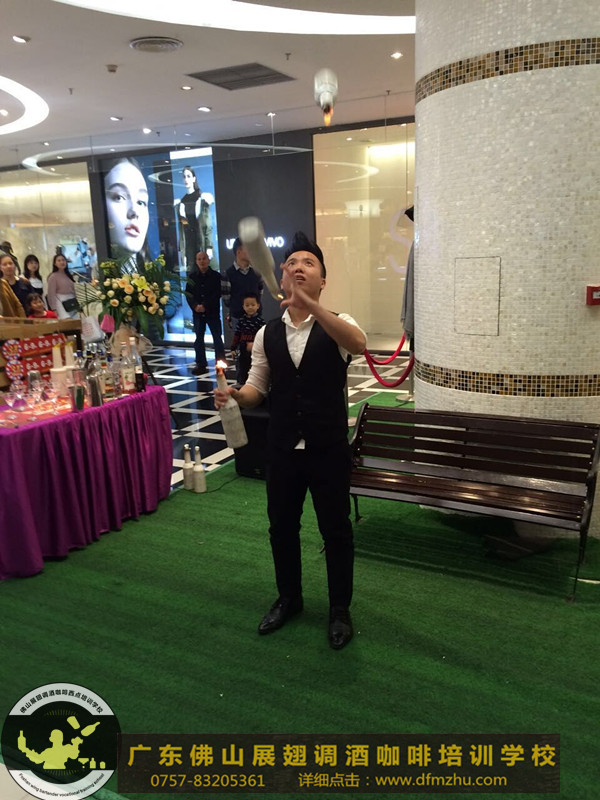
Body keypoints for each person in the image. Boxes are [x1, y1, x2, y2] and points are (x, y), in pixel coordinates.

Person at [214, 231, 366, 650]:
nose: (298, 267)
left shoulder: (341, 323)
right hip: (282, 449)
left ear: (322, 280)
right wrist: (235, 396)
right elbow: (257, 388)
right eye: (292, 263)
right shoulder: (267, 334)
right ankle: (289, 598)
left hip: (328, 448)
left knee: (336, 531)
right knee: (281, 527)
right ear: (280, 277)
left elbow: (359, 344)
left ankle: (339, 609)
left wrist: (312, 306)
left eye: (308, 263)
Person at [104, 157, 150, 271]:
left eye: (141, 202)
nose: (134, 211)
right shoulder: (99, 275)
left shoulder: (153, 276)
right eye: (119, 197)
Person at [186, 250, 225, 375]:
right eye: (199, 259)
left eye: (204, 258)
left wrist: (205, 305)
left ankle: (220, 364)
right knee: (199, 339)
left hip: (212, 312)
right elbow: (188, 294)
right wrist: (195, 306)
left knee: (217, 338)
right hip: (197, 313)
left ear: (208, 260)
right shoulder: (192, 277)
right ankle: (201, 365)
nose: (202, 261)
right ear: (196, 262)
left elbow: (217, 293)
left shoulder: (216, 276)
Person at [174, 166, 214, 270]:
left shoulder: (202, 198)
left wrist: (209, 246)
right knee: (191, 275)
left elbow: (208, 225)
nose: (186, 179)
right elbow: (181, 230)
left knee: (206, 273)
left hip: (201, 243)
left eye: (188, 176)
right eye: (184, 177)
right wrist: (182, 252)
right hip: (189, 247)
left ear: (194, 178)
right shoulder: (181, 202)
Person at [221, 237, 264, 335]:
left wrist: (254, 306)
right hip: (237, 317)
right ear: (238, 252)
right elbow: (226, 299)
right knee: (239, 343)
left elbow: (260, 291)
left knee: (258, 342)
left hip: (256, 317)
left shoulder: (257, 272)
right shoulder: (228, 274)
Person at [230, 292, 264, 385]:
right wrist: (233, 348)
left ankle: (255, 384)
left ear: (258, 306)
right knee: (242, 366)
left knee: (254, 367)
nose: (250, 307)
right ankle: (241, 383)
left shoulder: (260, 321)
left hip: (255, 349)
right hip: (242, 348)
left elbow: (262, 336)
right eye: (247, 305)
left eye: (253, 305)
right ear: (243, 307)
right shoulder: (241, 321)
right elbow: (237, 335)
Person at [46, 253, 78, 319]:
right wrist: (54, 309)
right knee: (66, 320)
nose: (62, 262)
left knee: (75, 320)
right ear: (55, 264)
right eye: (59, 260)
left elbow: (73, 290)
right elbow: (51, 294)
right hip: (60, 302)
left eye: (63, 260)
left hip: (71, 301)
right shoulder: (53, 276)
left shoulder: (68, 275)